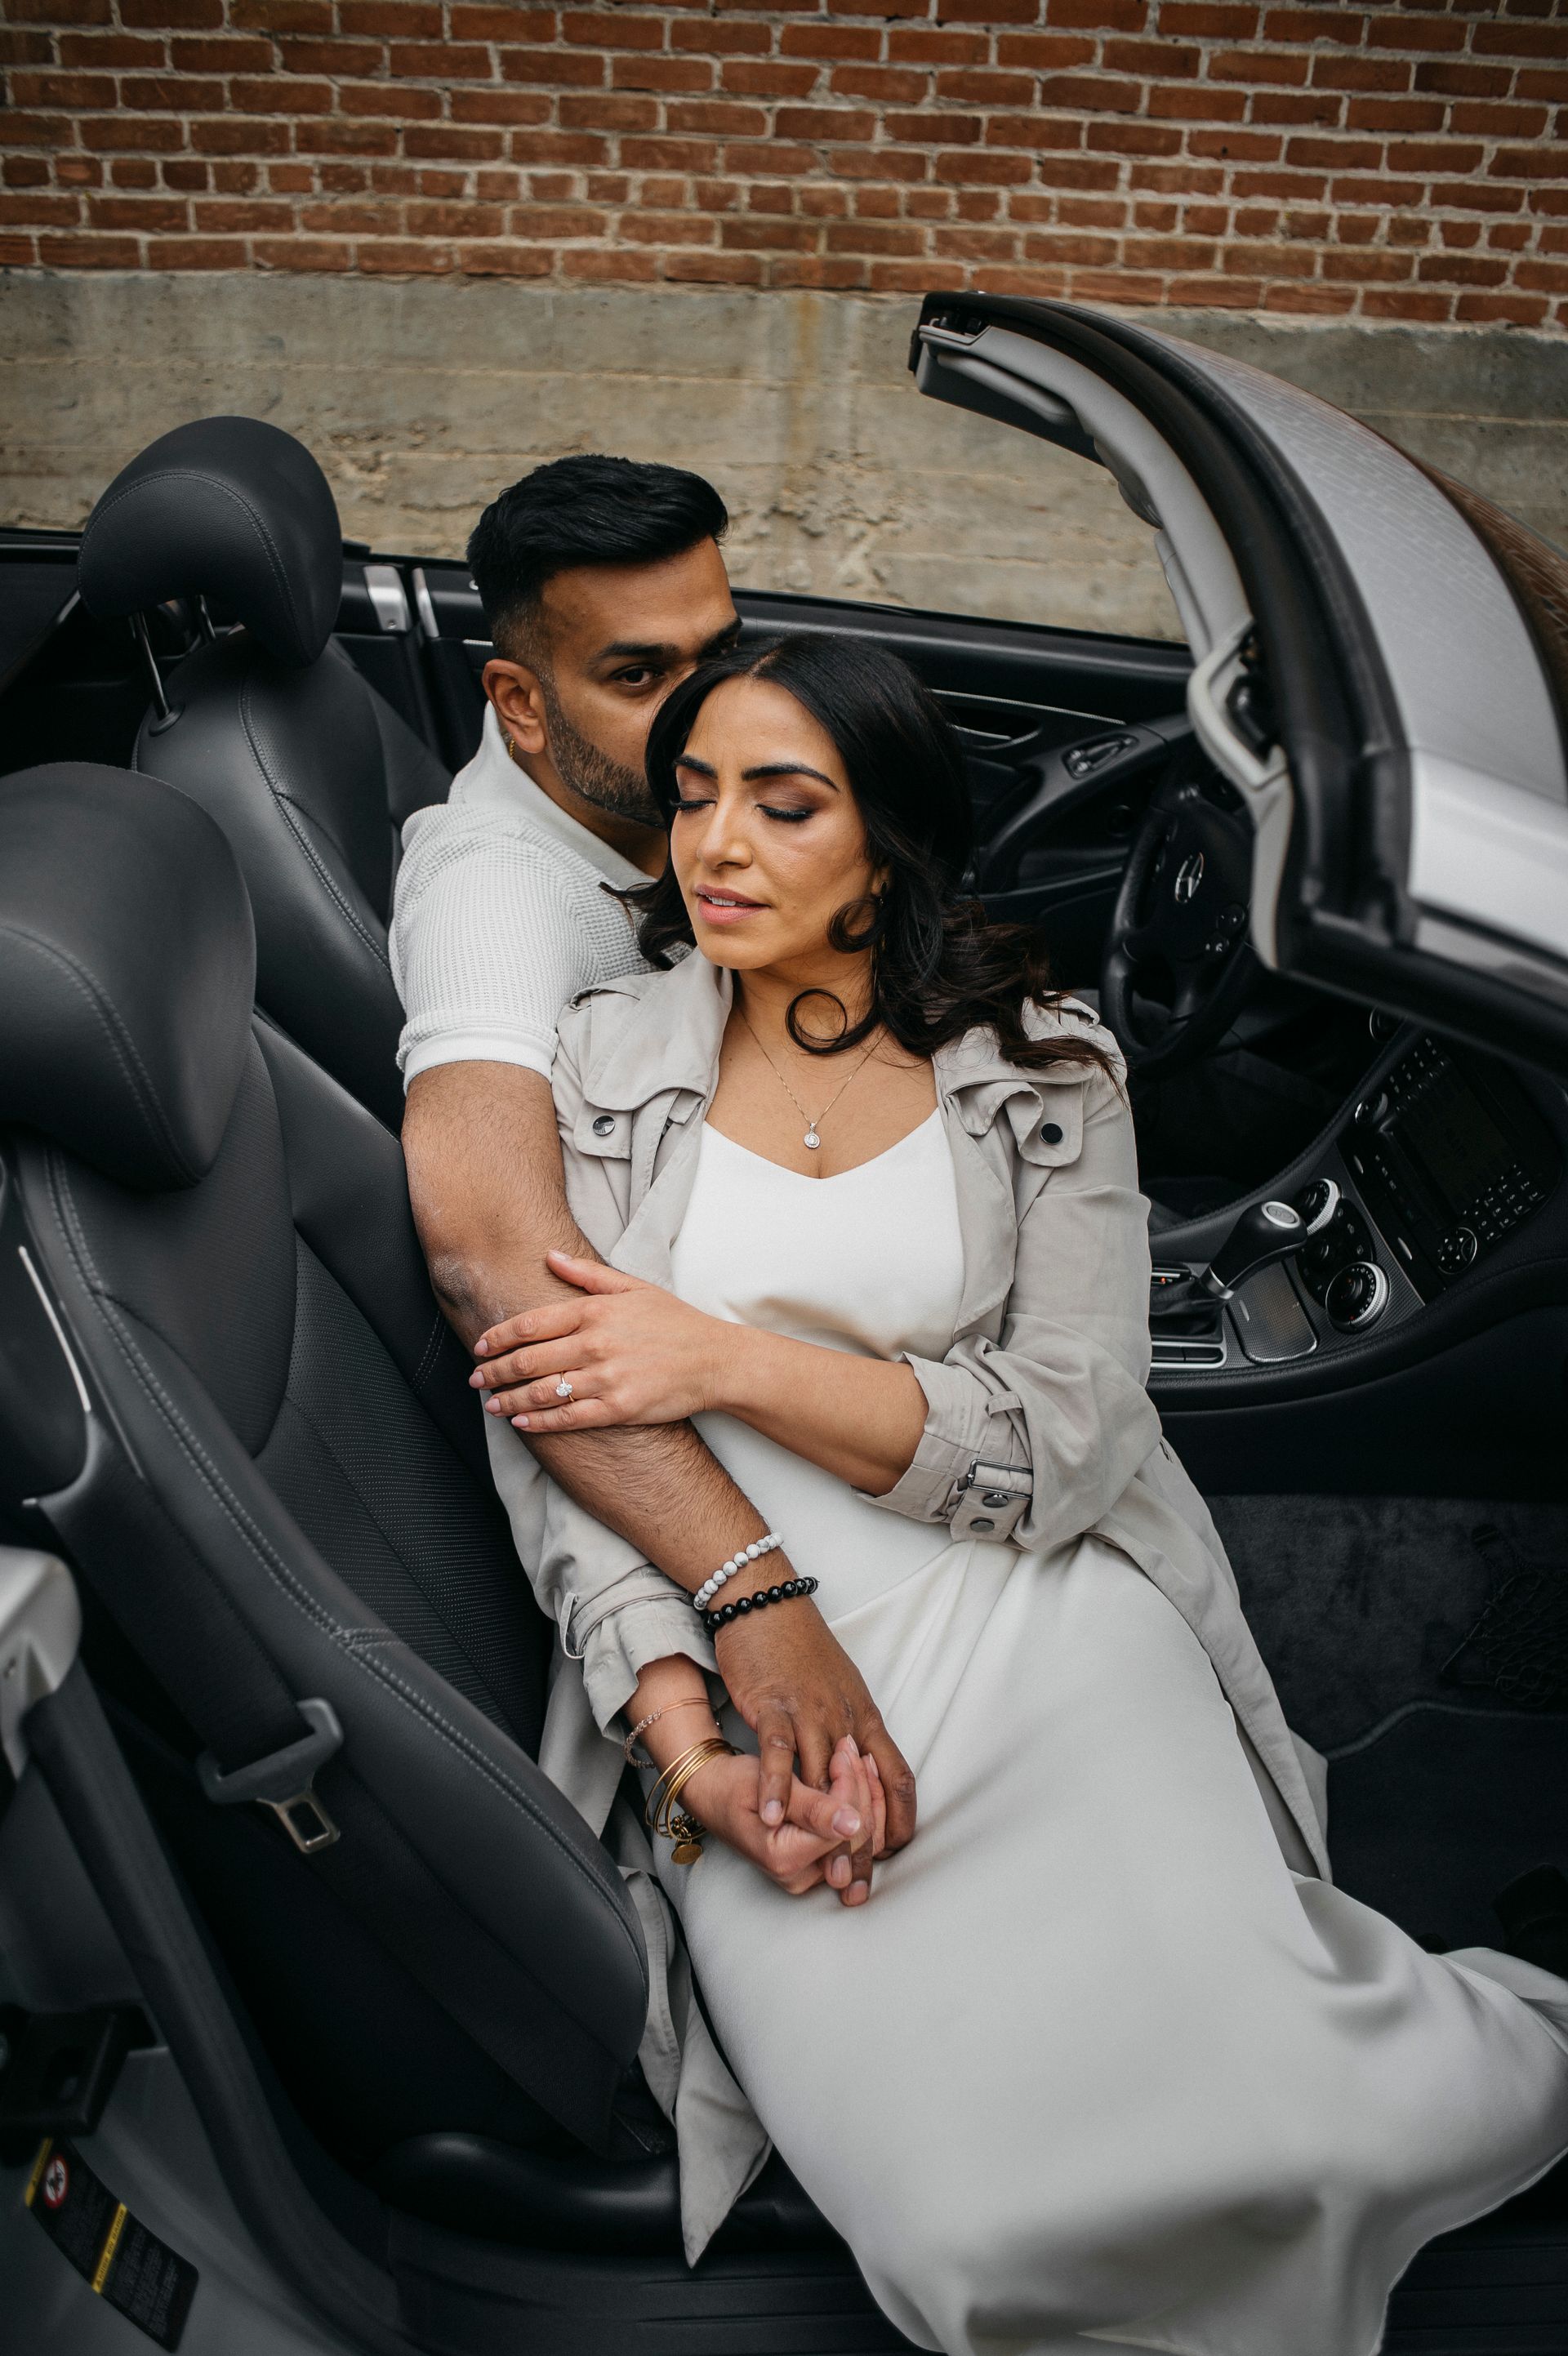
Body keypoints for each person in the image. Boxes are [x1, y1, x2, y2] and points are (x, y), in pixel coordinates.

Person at [469, 630, 1568, 2355]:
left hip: (1043, 1624)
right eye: (692, 798)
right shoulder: (600, 1067)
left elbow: (1069, 1439)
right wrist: (690, 1757)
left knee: (1287, 2127)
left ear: (889, 844)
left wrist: (724, 1359)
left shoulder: (1046, 1067)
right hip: (750, 1669)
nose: (717, 846)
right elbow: (565, 1452)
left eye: (783, 804)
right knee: (968, 2221)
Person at [392, 456, 917, 1913]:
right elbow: (497, 1263)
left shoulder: (676, 815)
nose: (706, 710)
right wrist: (754, 1593)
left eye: (718, 653)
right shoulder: (498, 899)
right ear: (519, 703)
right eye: (640, 675)